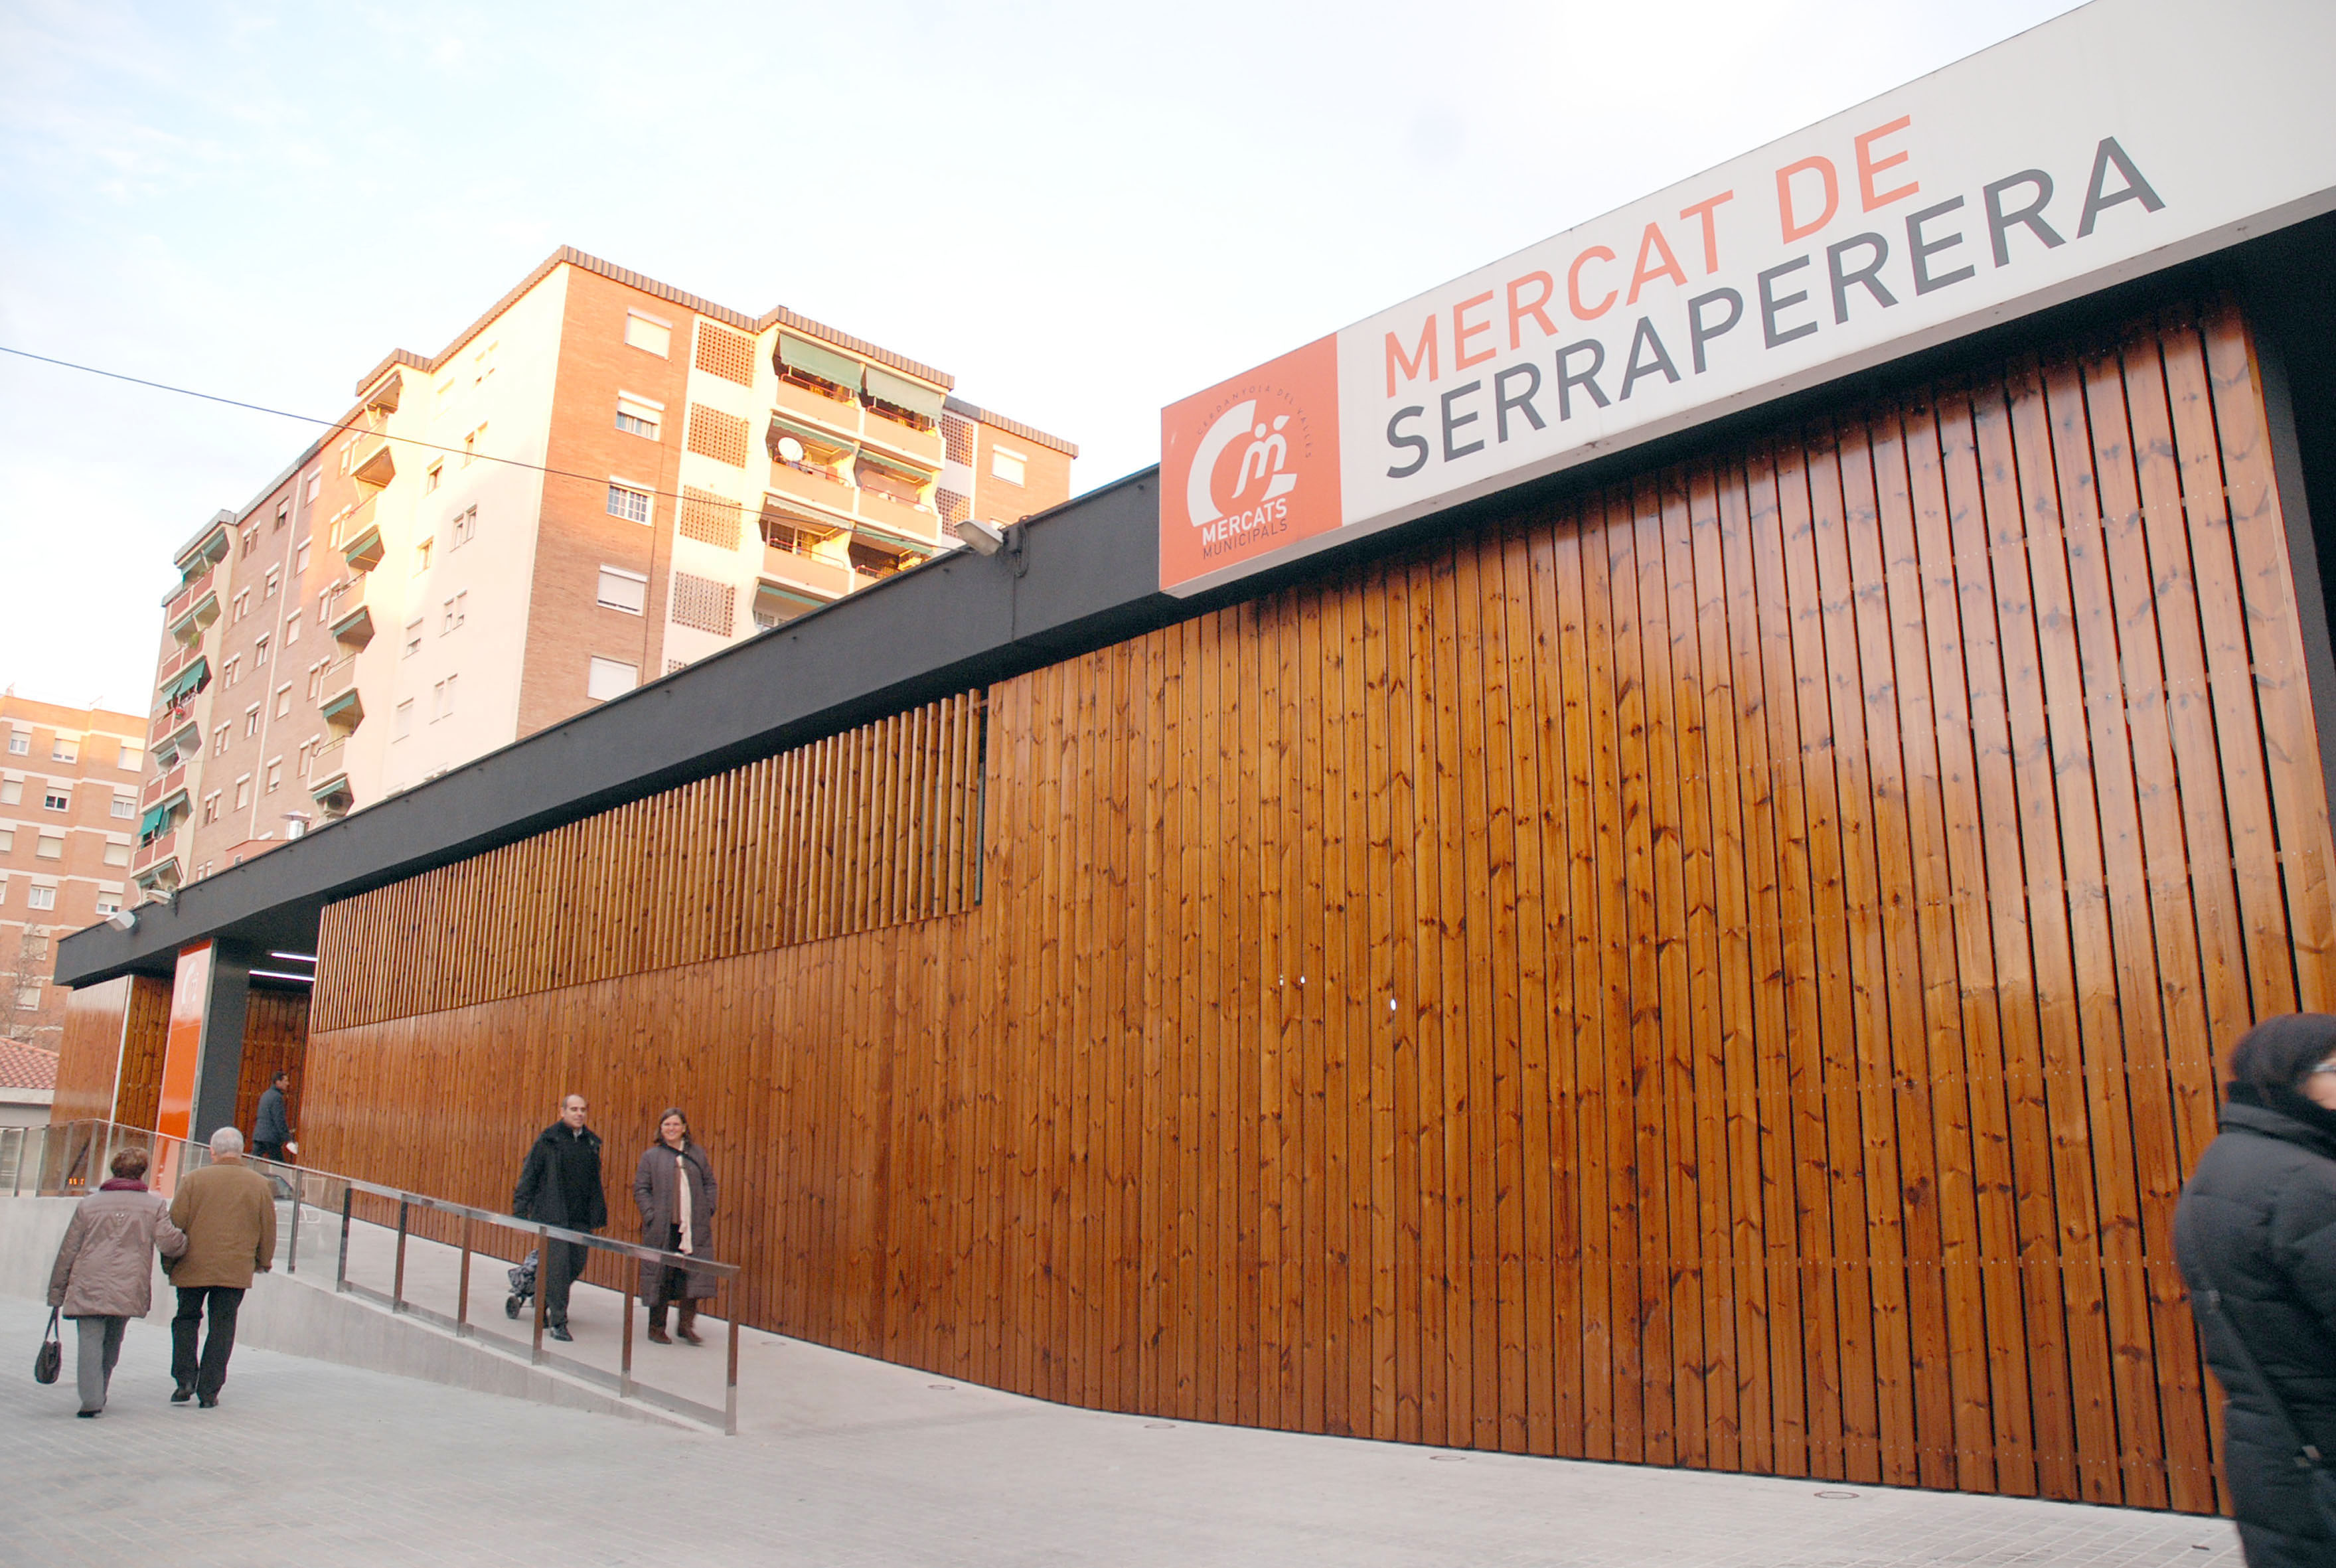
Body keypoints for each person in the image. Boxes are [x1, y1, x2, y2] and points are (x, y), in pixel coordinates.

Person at [2175, 1013, 2336, 1565]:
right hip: (2320, 1450)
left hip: (2271, 1447)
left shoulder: (2222, 1168)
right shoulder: (2305, 1183)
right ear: (2291, 1078)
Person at [46, 1146, 187, 1417]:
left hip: (87, 1279)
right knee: (112, 1341)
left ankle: (91, 1399)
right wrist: (186, 1241)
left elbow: (69, 1250)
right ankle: (101, 1390)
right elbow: (170, 1244)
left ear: (113, 1170)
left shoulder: (89, 1204)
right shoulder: (154, 1205)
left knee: (89, 1340)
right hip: (128, 1283)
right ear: (142, 1172)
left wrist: (56, 1293)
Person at [168, 1126, 277, 1408]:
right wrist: (264, 1261)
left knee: (186, 1318)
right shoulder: (259, 1184)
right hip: (235, 1268)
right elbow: (268, 1228)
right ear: (241, 1151)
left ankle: (184, 1379)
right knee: (223, 1326)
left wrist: (170, 1263)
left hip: (192, 1265)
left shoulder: (193, 1180)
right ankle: (210, 1391)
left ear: (211, 1150)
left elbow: (175, 1225)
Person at [512, 1093, 605, 1344]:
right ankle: (558, 1322)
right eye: (574, 1109)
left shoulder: (590, 1143)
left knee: (575, 1264)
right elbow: (529, 1176)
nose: (579, 1114)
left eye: (583, 1110)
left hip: (580, 1218)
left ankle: (538, 1295)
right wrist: (520, 1214)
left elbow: (593, 1183)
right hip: (553, 1216)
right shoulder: (548, 1141)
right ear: (562, 1111)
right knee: (557, 1267)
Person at [632, 1108, 718, 1346]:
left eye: (675, 1124)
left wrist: (708, 1207)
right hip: (663, 1228)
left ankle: (686, 1326)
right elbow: (641, 1188)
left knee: (692, 1276)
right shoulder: (652, 1156)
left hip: (693, 1228)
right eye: (667, 1125)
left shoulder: (697, 1154)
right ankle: (656, 1326)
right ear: (661, 1129)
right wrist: (651, 1214)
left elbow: (709, 1183)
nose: (671, 1129)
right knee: (661, 1275)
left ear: (684, 1128)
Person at [252, 1070, 294, 1163]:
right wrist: (287, 1138)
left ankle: (246, 1177)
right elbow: (279, 1119)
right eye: (285, 1081)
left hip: (259, 1135)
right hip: (271, 1138)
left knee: (253, 1162)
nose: (288, 1084)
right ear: (278, 1082)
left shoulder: (266, 1095)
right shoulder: (277, 1098)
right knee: (279, 1165)